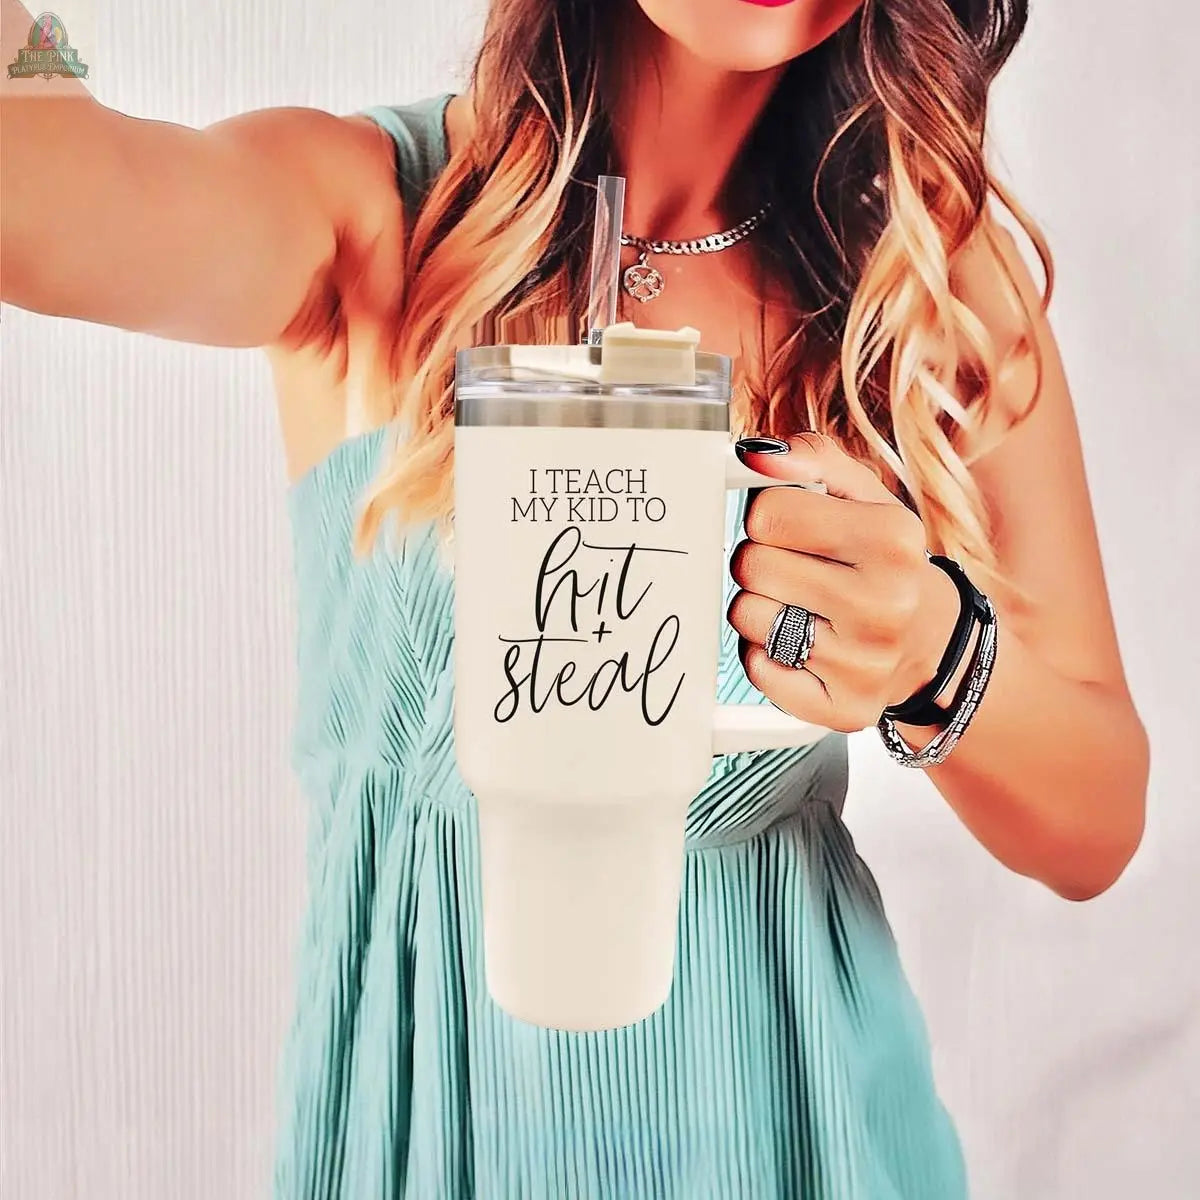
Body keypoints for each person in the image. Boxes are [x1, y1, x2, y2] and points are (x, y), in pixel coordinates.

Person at [1, 0, 1150, 1196]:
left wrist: (934, 649)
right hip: (435, 1123)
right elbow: (43, 192)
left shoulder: (917, 278)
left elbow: (1097, 823)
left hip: (798, 1118)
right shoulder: (375, 216)